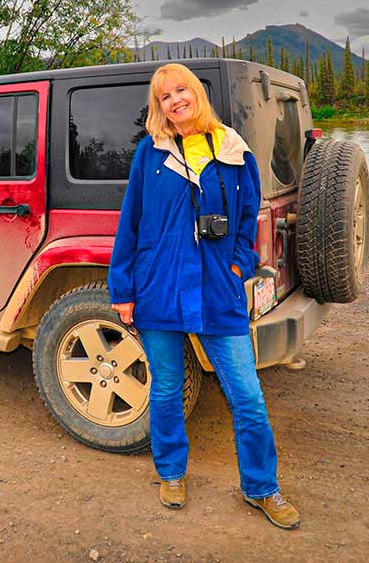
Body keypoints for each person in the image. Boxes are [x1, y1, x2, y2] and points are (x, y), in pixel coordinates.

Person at [107, 63, 300, 530]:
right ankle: (171, 473)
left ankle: (261, 487)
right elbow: (130, 223)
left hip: (217, 290)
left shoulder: (233, 150)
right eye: (165, 96)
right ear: (159, 107)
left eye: (181, 90)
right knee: (167, 390)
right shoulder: (150, 153)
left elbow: (247, 220)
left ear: (196, 93)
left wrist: (237, 267)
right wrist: (123, 289)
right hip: (159, 288)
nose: (175, 100)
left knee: (247, 396)